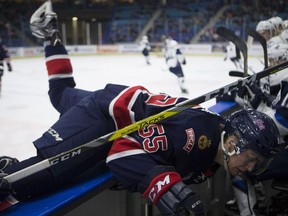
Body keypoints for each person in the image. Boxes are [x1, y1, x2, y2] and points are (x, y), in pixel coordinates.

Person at [0, 1, 282, 215]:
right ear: (232, 142)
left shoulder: (215, 140)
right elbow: (121, 151)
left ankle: (51, 37)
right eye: (252, 157)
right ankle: (11, 172)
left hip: (111, 99)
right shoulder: (194, 140)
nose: (252, 167)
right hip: (105, 117)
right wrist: (163, 185)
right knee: (36, 178)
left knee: (61, 94)